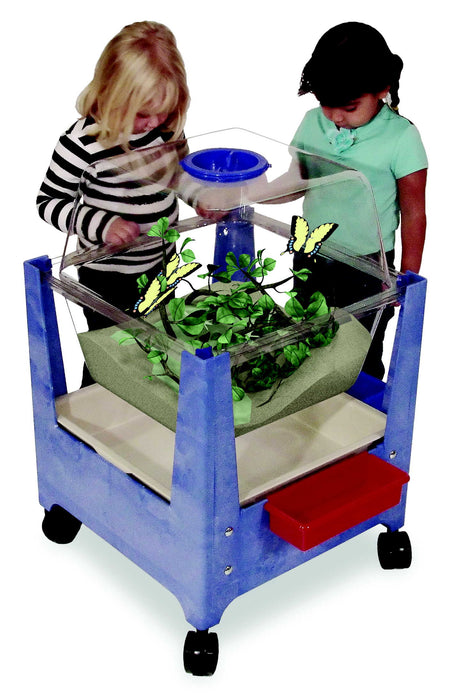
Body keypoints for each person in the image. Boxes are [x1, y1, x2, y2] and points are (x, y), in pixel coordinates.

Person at [36, 21, 190, 381]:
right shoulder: (81, 143)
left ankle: (153, 404)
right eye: (143, 114)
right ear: (109, 94)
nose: (154, 123)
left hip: (161, 262)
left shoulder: (167, 130)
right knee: (112, 356)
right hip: (106, 277)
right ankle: (97, 404)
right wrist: (103, 225)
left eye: (165, 110)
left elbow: (181, 176)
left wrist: (202, 197)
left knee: (159, 346)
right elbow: (49, 201)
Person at [290, 22, 428, 379]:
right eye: (326, 104)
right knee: (303, 342)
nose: (336, 116)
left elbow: (414, 211)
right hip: (311, 251)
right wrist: (241, 193)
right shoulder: (312, 123)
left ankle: (360, 413)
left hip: (368, 267)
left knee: (360, 354)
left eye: (349, 107)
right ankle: (309, 407)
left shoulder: (401, 137)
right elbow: (294, 183)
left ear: (382, 89)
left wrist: (406, 276)